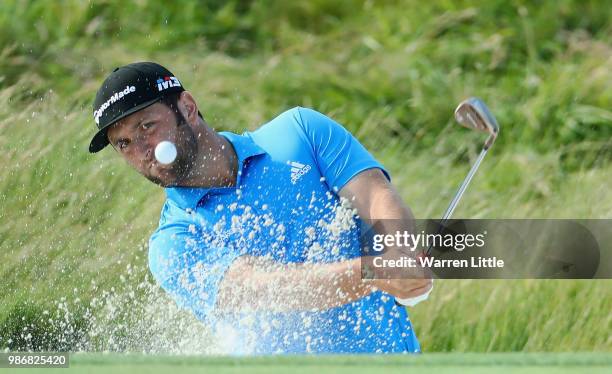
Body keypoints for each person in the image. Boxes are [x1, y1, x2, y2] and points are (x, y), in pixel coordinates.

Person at [88, 62, 432, 354]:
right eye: (124, 143)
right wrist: (375, 273)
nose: (142, 149)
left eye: (147, 126)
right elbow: (273, 288)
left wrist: (402, 254)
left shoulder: (300, 132)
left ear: (188, 108)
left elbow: (374, 195)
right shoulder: (173, 245)